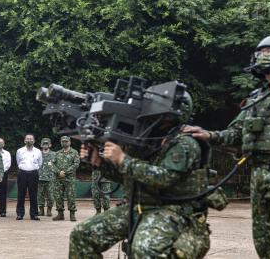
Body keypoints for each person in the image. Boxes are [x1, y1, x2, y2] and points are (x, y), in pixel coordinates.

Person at [183, 34, 270, 258]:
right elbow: (237, 133)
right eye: (260, 52)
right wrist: (208, 134)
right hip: (258, 176)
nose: (263, 56)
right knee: (264, 244)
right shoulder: (257, 96)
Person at [69, 91, 212, 258]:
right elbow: (129, 177)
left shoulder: (185, 142)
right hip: (139, 206)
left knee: (144, 249)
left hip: (172, 211)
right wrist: (100, 163)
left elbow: (164, 178)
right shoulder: (145, 139)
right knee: (82, 234)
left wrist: (122, 159)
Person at [52, 136, 80, 222]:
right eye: (63, 141)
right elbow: (51, 164)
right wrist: (58, 172)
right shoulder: (57, 153)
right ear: (61, 142)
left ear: (70, 142)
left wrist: (65, 172)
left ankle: (72, 214)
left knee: (71, 196)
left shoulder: (74, 152)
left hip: (69, 179)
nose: (64, 143)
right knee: (58, 196)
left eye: (66, 141)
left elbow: (76, 164)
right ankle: (60, 214)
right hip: (58, 179)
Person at [15, 134, 42, 221]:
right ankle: (20, 214)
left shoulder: (38, 151)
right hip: (22, 173)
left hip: (33, 174)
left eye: (31, 139)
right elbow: (18, 161)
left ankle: (34, 214)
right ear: (24, 141)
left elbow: (40, 163)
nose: (29, 140)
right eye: (27, 139)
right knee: (21, 194)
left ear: (34, 141)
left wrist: (34, 169)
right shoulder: (20, 151)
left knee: (33, 194)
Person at [38, 138, 56, 217]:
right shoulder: (38, 154)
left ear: (50, 145)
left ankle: (49, 210)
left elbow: (57, 165)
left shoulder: (54, 154)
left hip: (51, 178)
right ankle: (41, 210)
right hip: (39, 178)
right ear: (41, 145)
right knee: (39, 195)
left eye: (47, 143)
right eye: (44, 143)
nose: (45, 145)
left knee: (51, 196)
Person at [0, 138, 11, 217]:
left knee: (3, 193)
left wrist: (1, 173)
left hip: (3, 174)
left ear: (4, 144)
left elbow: (8, 164)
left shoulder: (7, 153)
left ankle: (2, 211)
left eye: (1, 142)